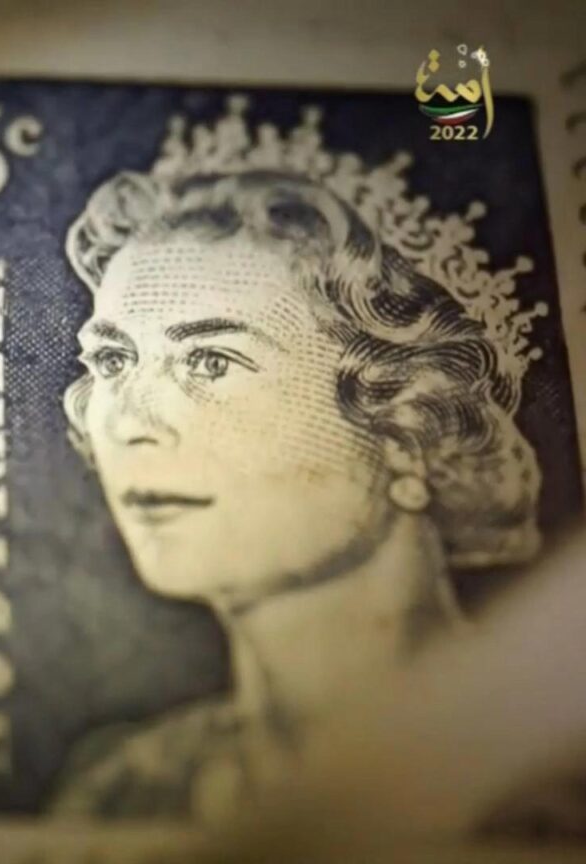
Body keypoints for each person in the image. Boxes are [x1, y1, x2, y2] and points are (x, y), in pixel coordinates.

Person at [54, 168, 543, 820]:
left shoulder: (556, 772)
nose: (126, 423)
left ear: (408, 427)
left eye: (211, 362)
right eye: (113, 362)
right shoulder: (121, 792)